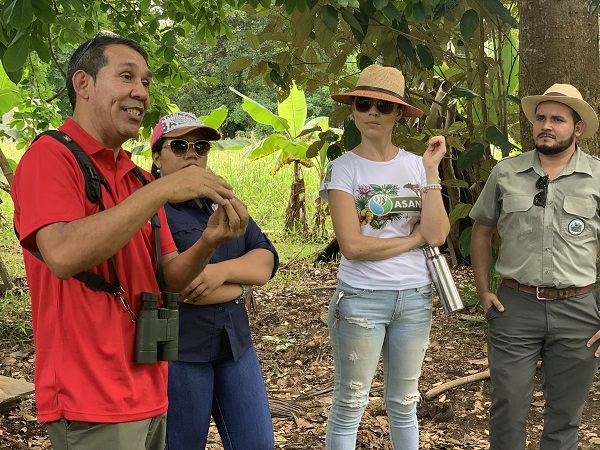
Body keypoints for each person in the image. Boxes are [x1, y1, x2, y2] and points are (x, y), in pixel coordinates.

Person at [10, 33, 249, 450]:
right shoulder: (50, 156)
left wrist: (209, 241)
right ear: (83, 84)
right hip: (90, 399)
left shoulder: (135, 178)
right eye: (126, 76)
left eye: (145, 82)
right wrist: (161, 190)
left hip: (150, 387)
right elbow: (62, 254)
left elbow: (170, 278)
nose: (141, 91)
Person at [319, 64, 450, 450]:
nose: (372, 112)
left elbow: (438, 234)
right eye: (363, 103)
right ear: (354, 110)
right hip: (362, 297)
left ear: (399, 114)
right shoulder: (342, 168)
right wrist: (413, 240)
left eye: (383, 106)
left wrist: (431, 173)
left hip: (414, 298)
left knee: (405, 404)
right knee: (350, 403)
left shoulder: (416, 165)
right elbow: (353, 246)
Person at [469, 83, 600, 450]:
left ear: (577, 128)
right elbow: (481, 233)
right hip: (515, 306)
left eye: (557, 119)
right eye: (541, 118)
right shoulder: (506, 172)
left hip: (578, 311)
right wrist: (483, 291)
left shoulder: (597, 176)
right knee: (508, 406)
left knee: (565, 415)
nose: (546, 126)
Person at [149, 112, 278, 449]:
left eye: (201, 147)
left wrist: (222, 273)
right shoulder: (150, 208)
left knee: (257, 444)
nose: (192, 154)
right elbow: (182, 289)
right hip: (179, 348)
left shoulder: (219, 201)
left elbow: (265, 261)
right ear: (157, 158)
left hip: (234, 342)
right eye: (179, 146)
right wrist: (240, 288)